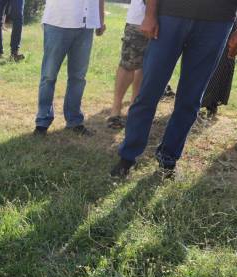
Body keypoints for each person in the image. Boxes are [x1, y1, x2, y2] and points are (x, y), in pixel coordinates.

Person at [111, 0, 237, 179]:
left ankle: (168, 161)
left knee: (190, 99)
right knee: (148, 91)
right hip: (170, 15)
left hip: (217, 22)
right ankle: (128, 156)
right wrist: (149, 14)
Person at [33, 0, 106, 137]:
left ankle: (74, 121)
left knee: (78, 77)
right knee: (49, 75)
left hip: (86, 24)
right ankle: (42, 122)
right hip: (58, 21)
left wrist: (100, 19)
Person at [107, 0, 149, 130]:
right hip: (139, 20)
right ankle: (116, 110)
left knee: (145, 67)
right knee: (128, 64)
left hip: (167, 22)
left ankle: (134, 109)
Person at [201, 21, 237, 118]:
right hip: (207, 16)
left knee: (223, 61)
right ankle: (191, 102)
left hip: (229, 19)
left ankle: (211, 104)